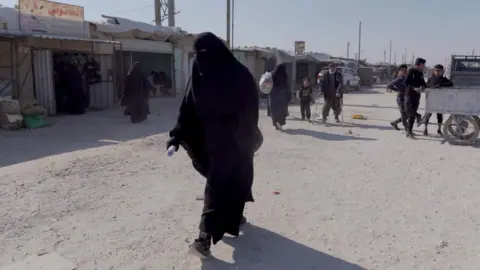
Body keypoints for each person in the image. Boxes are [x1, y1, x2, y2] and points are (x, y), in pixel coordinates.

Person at [166, 32, 260, 258]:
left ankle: (203, 238)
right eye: (198, 55)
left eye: (205, 54)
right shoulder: (200, 73)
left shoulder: (240, 76)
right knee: (225, 181)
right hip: (211, 140)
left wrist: (246, 137)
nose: (202, 59)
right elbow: (187, 106)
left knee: (222, 183)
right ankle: (233, 217)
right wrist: (177, 135)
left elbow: (251, 109)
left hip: (236, 140)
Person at [421, 64, 453, 135]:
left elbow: (450, 84)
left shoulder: (444, 80)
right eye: (436, 70)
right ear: (434, 71)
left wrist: (441, 85)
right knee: (428, 115)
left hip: (440, 101)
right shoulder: (430, 79)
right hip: (431, 101)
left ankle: (439, 129)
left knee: (439, 116)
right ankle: (425, 128)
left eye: (439, 71)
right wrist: (435, 87)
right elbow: (426, 85)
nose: (437, 72)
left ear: (442, 71)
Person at [403, 58, 427, 138]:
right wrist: (414, 88)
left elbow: (423, 83)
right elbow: (406, 83)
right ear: (419, 64)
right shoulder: (411, 71)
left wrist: (423, 87)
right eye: (423, 64)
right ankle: (418, 116)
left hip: (417, 96)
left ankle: (409, 132)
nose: (424, 66)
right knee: (408, 111)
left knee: (411, 116)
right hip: (409, 95)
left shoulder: (420, 73)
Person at [269, 63, 290, 130]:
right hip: (282, 95)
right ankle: (279, 123)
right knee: (281, 110)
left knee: (274, 110)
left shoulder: (273, 74)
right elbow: (287, 86)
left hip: (273, 94)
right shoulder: (285, 75)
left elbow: (269, 83)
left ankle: (276, 123)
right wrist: (288, 96)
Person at [387, 64, 408, 131]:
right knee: (404, 114)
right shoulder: (399, 78)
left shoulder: (406, 78)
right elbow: (389, 85)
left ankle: (395, 122)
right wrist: (398, 90)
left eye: (405, 70)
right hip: (400, 98)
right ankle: (408, 130)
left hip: (406, 98)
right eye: (402, 70)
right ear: (400, 71)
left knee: (407, 114)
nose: (404, 71)